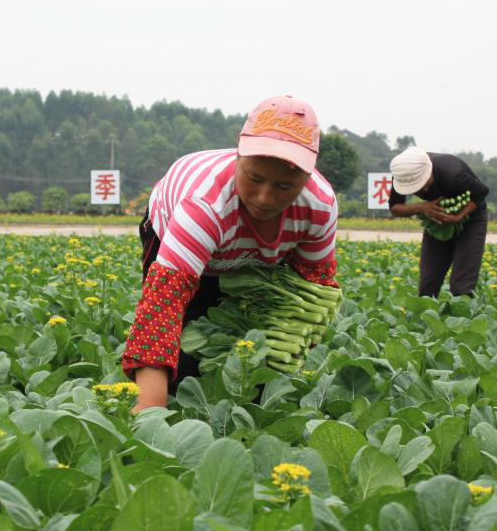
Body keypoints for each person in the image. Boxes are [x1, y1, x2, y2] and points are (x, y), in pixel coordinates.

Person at [123, 95, 340, 412]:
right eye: (254, 178)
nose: (265, 197)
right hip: (175, 225)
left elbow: (312, 287)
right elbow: (160, 314)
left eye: (284, 186)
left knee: (254, 358)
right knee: (182, 364)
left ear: (307, 180)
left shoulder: (318, 207)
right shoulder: (204, 206)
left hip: (250, 253)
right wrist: (150, 420)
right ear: (238, 158)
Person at [387, 146, 489, 297]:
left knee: (462, 288)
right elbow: (395, 207)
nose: (418, 189)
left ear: (429, 172)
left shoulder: (452, 172)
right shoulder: (404, 172)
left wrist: (458, 216)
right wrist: (422, 207)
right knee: (427, 286)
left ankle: (464, 317)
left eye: (419, 183)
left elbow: (481, 193)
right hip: (435, 220)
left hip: (471, 220)